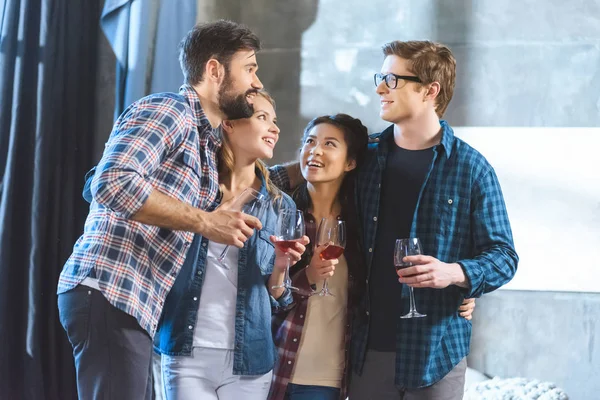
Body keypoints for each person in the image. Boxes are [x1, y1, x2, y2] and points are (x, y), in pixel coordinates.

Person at [57, 20, 267, 399]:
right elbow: (111, 183)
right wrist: (205, 221)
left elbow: (94, 181)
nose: (258, 82)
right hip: (110, 291)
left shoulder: (204, 143)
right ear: (215, 70)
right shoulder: (170, 111)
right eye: (249, 68)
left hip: (132, 305)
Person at [348, 40, 519, 399]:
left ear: (429, 90)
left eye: (392, 79)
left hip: (435, 353)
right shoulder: (363, 160)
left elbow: (504, 256)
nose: (380, 87)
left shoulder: (471, 168)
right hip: (366, 349)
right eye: (380, 77)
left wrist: (454, 273)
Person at [268, 114, 476, 400]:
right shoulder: (283, 215)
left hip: (332, 376)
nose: (315, 150)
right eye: (309, 142)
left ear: (352, 162)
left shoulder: (361, 225)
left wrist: (461, 285)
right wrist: (307, 278)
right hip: (275, 366)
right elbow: (265, 296)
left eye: (329, 144)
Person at [155, 91, 308, 400]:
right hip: (186, 352)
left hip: (250, 361)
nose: (275, 129)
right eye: (262, 118)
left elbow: (279, 296)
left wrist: (281, 267)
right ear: (229, 124)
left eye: (275, 121)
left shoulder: (281, 206)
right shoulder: (192, 187)